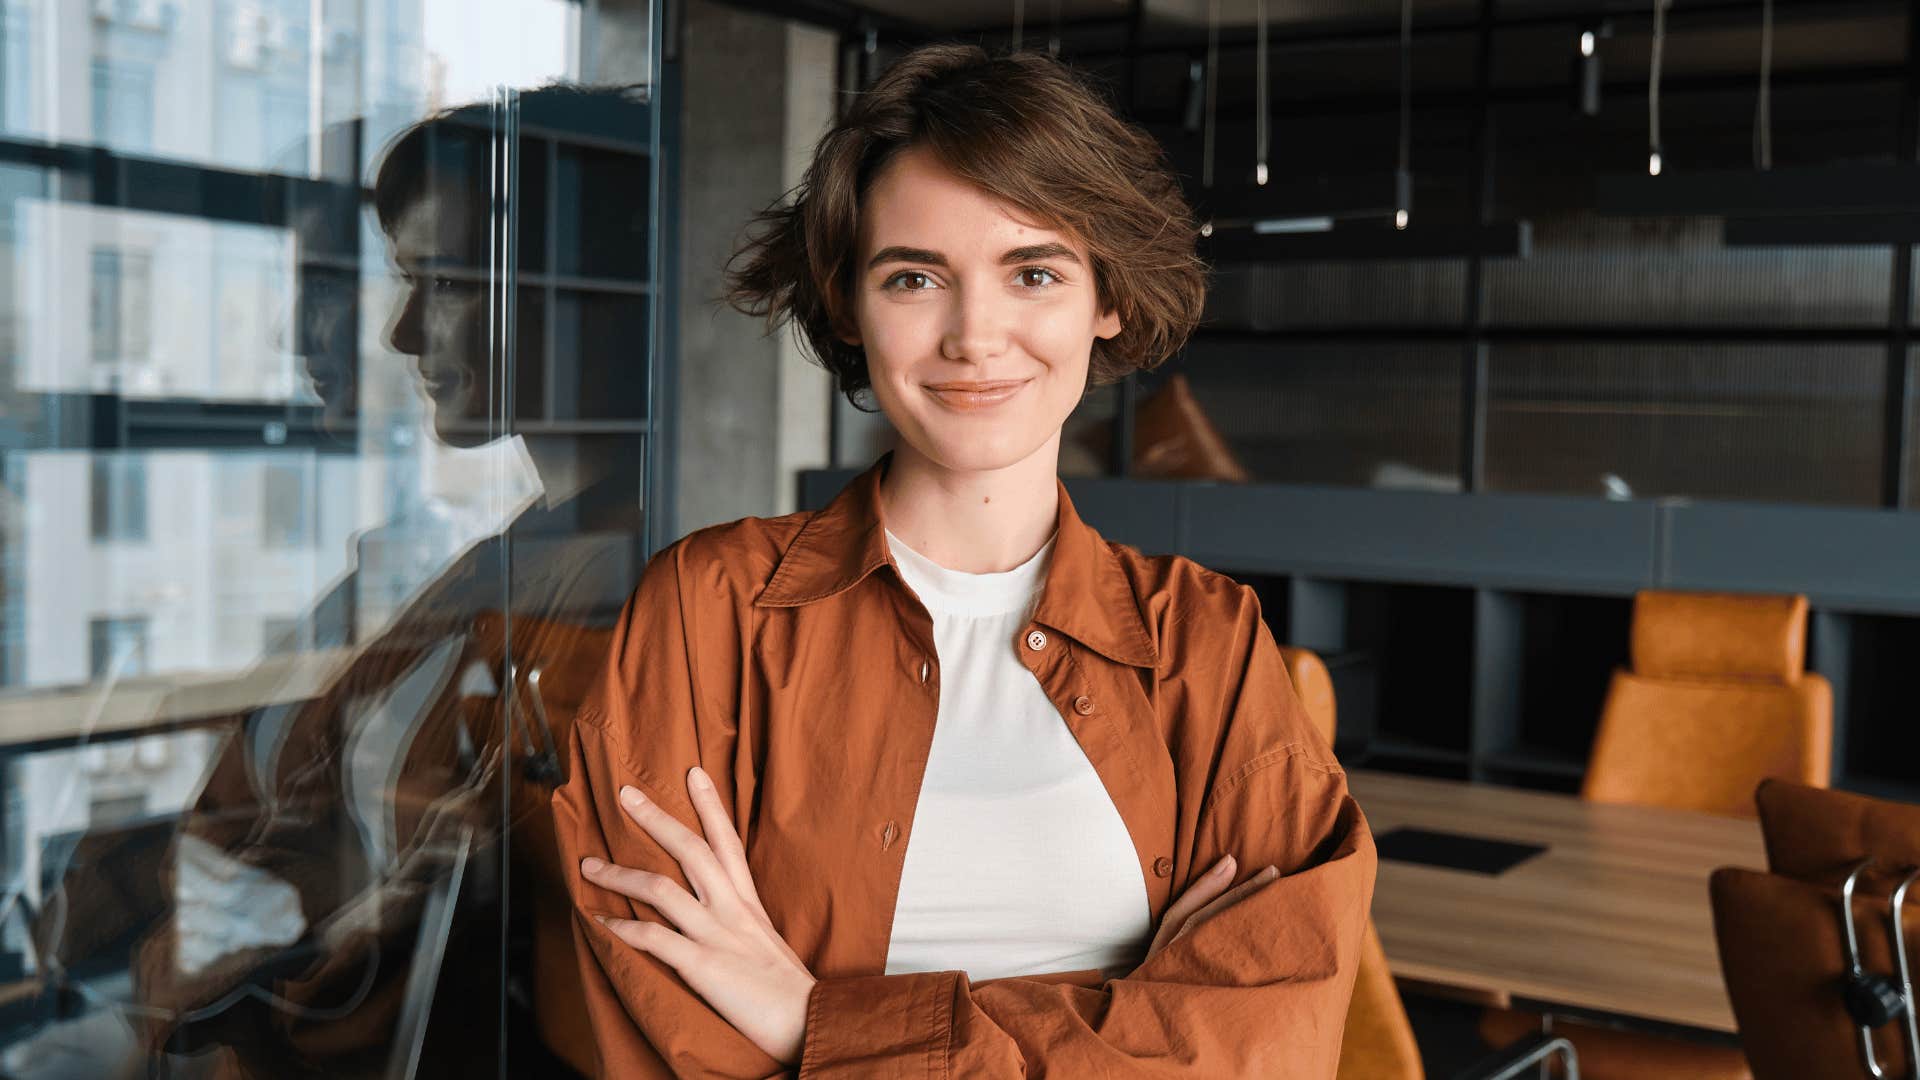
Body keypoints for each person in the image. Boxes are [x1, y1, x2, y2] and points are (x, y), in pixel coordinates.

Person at [555, 44, 1377, 1077]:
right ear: (853, 306)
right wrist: (1121, 1024)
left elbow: (1267, 1047)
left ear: (1106, 300)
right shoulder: (707, 611)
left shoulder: (1205, 641)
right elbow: (666, 1028)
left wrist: (816, 1026)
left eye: (1034, 272)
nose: (975, 336)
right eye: (914, 278)